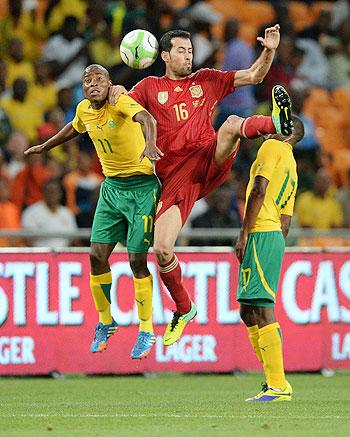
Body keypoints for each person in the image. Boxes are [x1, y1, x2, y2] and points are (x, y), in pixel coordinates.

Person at [111, 26, 293, 346]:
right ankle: (184, 308)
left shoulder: (207, 79)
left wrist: (269, 51)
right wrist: (115, 92)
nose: (188, 55)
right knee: (162, 248)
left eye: (190, 50)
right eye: (181, 51)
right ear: (165, 56)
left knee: (232, 124)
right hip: (176, 177)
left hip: (208, 157)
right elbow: (122, 107)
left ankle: (276, 123)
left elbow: (253, 75)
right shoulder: (150, 87)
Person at [24, 64, 163, 360]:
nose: (93, 83)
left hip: (142, 187)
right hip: (111, 189)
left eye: (99, 78)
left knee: (137, 259)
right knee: (96, 255)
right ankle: (105, 321)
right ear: (83, 88)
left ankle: (147, 328)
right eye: (87, 80)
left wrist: (150, 143)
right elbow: (72, 128)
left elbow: (147, 118)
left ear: (110, 83)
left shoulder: (119, 100)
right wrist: (45, 146)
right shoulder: (84, 109)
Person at [235, 116, 305, 402]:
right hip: (273, 234)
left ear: (282, 131)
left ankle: (278, 385)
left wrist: (245, 232)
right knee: (247, 310)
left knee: (262, 308)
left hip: (261, 233)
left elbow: (258, 191)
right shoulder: (292, 164)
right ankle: (272, 379)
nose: (266, 128)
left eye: (272, 124)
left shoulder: (271, 149)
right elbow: (286, 220)